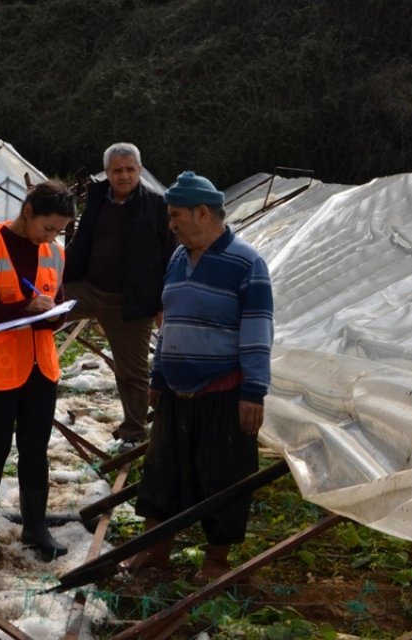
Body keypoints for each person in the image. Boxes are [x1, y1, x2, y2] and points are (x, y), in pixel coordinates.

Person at [120, 171, 273, 582]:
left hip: (223, 392)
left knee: (223, 477)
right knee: (162, 473)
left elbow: (258, 331)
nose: (170, 224)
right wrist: (157, 374)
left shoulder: (246, 262)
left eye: (175, 216)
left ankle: (215, 561)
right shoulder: (177, 258)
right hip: (175, 390)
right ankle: (156, 551)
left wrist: (253, 392)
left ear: (202, 213)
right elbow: (167, 323)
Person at [0, 180, 77, 562]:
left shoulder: (54, 252)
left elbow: (54, 304)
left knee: (35, 449)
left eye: (58, 230)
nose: (51, 237)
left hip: (39, 367)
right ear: (28, 212)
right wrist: (24, 310)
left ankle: (35, 526)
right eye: (48, 228)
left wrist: (51, 315)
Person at [63, 143, 174, 442]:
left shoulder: (156, 205)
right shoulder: (98, 199)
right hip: (87, 287)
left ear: (139, 170)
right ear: (108, 173)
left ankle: (135, 429)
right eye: (117, 170)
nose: (124, 176)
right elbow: (82, 239)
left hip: (128, 300)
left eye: (129, 169)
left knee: (132, 371)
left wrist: (163, 303)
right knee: (41, 311)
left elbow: (170, 255)